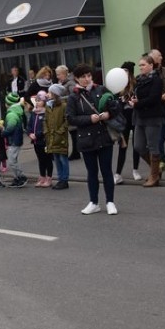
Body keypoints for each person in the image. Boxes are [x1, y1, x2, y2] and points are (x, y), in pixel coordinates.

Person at [67, 63, 118, 215]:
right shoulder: (73, 96)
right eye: (83, 77)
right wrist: (90, 119)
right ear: (77, 78)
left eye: (89, 75)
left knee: (107, 171)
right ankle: (94, 202)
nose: (87, 79)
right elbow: (71, 119)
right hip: (86, 139)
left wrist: (109, 114)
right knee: (92, 172)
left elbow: (115, 106)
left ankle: (110, 202)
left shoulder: (101, 89)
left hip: (103, 137)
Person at [130, 54, 164, 187]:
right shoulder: (139, 80)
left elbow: (154, 98)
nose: (141, 67)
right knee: (138, 146)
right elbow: (137, 95)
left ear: (151, 65)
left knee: (153, 146)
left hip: (153, 117)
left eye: (143, 65)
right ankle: (156, 168)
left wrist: (137, 103)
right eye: (140, 65)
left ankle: (154, 176)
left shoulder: (156, 80)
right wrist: (132, 99)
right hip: (140, 117)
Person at [114, 61, 142, 183]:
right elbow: (113, 103)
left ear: (130, 73)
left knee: (136, 146)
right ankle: (118, 173)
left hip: (135, 118)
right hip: (123, 120)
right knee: (122, 146)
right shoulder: (117, 86)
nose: (123, 74)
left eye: (125, 71)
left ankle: (135, 170)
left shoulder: (136, 85)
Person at [44, 84, 70, 189]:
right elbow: (45, 120)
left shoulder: (63, 106)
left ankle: (64, 180)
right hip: (51, 136)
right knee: (56, 158)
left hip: (60, 137)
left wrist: (60, 131)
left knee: (63, 158)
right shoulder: (48, 106)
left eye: (50, 92)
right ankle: (60, 179)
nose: (48, 94)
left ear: (55, 94)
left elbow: (67, 120)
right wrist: (46, 130)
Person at [55, 65, 81, 161]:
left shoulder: (70, 83)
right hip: (65, 110)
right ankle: (75, 151)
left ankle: (76, 152)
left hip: (70, 110)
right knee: (72, 132)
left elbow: (74, 95)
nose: (57, 76)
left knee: (73, 132)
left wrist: (60, 99)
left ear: (64, 74)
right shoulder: (62, 83)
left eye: (58, 74)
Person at [3, 92, 28, 187]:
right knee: (14, 160)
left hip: (14, 140)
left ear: (8, 103)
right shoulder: (17, 111)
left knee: (12, 161)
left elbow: (10, 129)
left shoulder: (11, 114)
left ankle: (21, 177)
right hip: (17, 139)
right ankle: (17, 178)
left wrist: (2, 132)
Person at [28, 91, 53, 187]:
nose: (37, 102)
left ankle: (49, 178)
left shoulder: (47, 112)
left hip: (44, 141)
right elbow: (29, 125)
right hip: (36, 141)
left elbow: (47, 127)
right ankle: (42, 176)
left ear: (44, 101)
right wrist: (30, 133)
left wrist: (37, 135)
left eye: (40, 100)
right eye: (36, 100)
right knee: (40, 159)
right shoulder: (34, 113)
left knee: (47, 159)